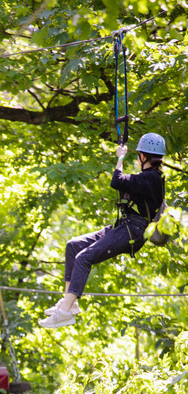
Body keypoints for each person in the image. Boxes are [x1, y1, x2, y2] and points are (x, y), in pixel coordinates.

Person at [39, 133, 166, 329]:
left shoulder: (151, 179)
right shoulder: (146, 179)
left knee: (84, 257)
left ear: (143, 156)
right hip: (124, 226)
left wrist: (120, 157)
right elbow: (125, 183)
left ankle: (64, 312)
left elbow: (117, 180)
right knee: (73, 246)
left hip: (133, 230)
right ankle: (70, 304)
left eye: (139, 154)